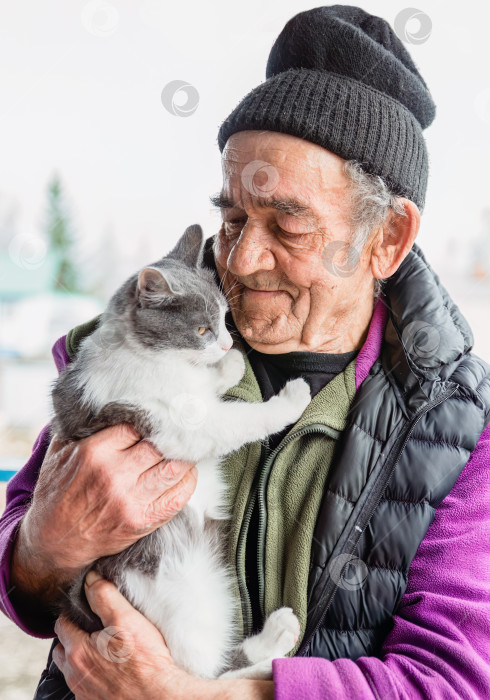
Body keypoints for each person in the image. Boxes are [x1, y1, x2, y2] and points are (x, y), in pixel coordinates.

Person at [1, 5, 490, 699]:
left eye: (287, 226)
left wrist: (209, 696)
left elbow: (451, 681)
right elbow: (18, 578)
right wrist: (43, 547)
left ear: (386, 239)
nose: (242, 259)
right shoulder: (134, 347)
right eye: (232, 218)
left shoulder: (463, 426)